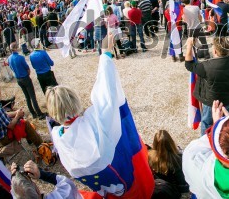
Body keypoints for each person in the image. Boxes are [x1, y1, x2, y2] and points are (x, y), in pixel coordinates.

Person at [45, 33, 154, 198]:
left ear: (53, 113)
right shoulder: (93, 121)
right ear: (75, 101)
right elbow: (107, 97)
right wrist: (106, 56)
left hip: (107, 189)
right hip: (128, 183)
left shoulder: (58, 139)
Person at [184, 37, 229, 135]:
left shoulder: (206, 66)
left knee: (207, 123)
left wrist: (189, 46)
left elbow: (189, 65)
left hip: (211, 103)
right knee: (225, 122)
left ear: (215, 51)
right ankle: (223, 139)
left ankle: (206, 142)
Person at [0, 80, 43, 155]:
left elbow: (4, 114)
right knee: (25, 123)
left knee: (20, 118)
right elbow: (11, 126)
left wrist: (16, 113)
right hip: (5, 138)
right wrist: (17, 115)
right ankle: (41, 145)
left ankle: (30, 138)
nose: (0, 88)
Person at [10, 160, 98, 199]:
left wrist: (14, 179)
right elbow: (67, 184)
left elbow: (18, 195)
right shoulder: (62, 196)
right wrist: (41, 174)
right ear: (37, 191)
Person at [8, 42, 45, 119]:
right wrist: (27, 74)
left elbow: (11, 68)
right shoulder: (20, 58)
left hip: (18, 79)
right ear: (16, 48)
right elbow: (27, 68)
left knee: (27, 97)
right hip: (25, 77)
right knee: (32, 97)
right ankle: (39, 114)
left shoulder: (9, 58)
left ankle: (33, 113)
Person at [148, 130, 189, 198]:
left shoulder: (149, 156)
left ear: (154, 143)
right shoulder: (177, 159)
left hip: (158, 189)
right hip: (173, 192)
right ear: (171, 143)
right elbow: (181, 181)